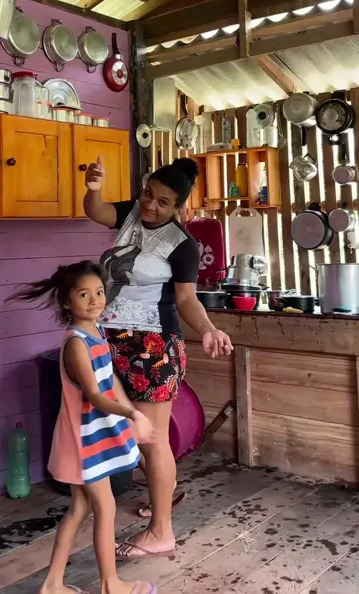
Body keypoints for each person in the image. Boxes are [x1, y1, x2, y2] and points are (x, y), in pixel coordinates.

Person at [83, 156, 234, 560]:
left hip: (152, 346)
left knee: (151, 438)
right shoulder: (133, 213)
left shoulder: (182, 245)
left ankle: (161, 532)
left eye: (163, 202)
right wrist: (94, 188)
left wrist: (208, 329)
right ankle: (162, 497)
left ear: (179, 207)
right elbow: (97, 211)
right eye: (149, 194)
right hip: (112, 339)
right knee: (130, 431)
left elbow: (186, 299)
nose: (150, 205)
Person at [11, 261, 157, 594]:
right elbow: (94, 395)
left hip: (94, 434)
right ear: (66, 301)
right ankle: (110, 585)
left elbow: (111, 382)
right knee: (105, 506)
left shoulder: (96, 332)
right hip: (83, 438)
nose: (94, 301)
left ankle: (52, 585)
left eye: (99, 292)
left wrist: (132, 415)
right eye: (83, 294)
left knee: (79, 508)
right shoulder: (77, 343)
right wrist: (131, 415)